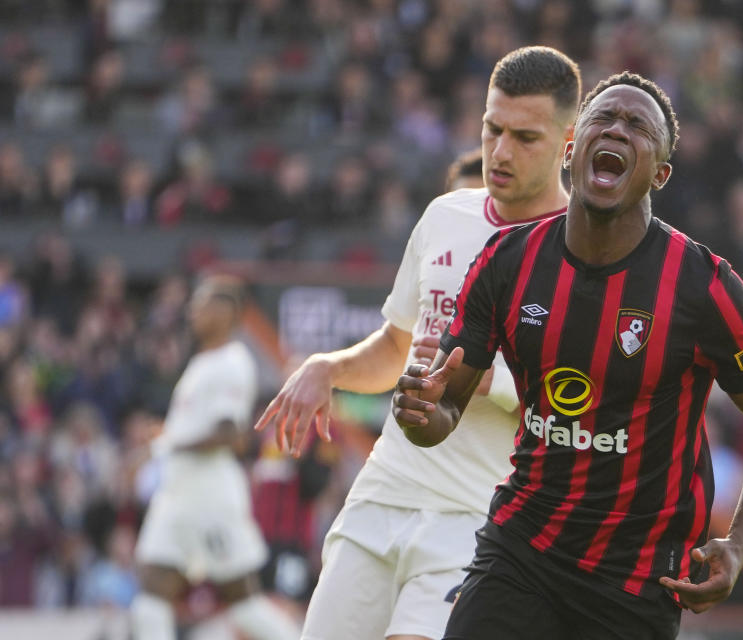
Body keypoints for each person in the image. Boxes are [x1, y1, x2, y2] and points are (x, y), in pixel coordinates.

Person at [392, 72, 743, 640]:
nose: (617, 128)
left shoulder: (701, 285)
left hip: (635, 579)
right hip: (522, 548)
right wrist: (419, 414)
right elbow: (444, 411)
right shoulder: (507, 261)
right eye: (603, 118)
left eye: (639, 126)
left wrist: (738, 542)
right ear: (572, 148)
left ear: (658, 173)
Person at [254, 46, 581, 640]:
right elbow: (396, 345)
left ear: (569, 141)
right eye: (492, 128)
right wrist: (328, 367)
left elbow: (587, 403)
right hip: (384, 494)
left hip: (478, 517)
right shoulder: (444, 216)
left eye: (525, 137)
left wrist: (486, 378)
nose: (501, 151)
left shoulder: (584, 254)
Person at [130, 276, 300, 640]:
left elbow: (231, 435)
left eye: (204, 303)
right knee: (150, 594)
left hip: (211, 496)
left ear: (228, 312)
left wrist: (168, 441)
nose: (193, 310)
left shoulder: (232, 362)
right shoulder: (201, 362)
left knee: (244, 602)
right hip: (178, 493)